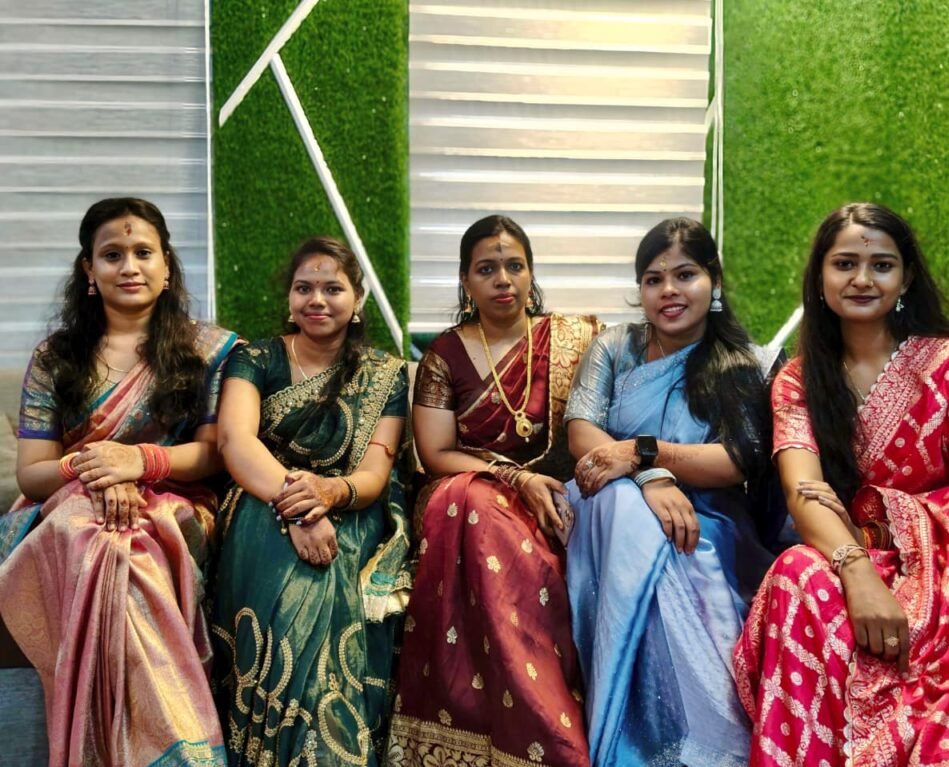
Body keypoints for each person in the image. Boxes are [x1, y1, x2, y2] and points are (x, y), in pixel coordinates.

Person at [733, 202, 949, 766]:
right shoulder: (799, 380)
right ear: (820, 277)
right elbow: (803, 493)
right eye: (845, 264)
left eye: (881, 265)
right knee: (795, 572)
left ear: (906, 278)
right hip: (853, 557)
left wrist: (902, 536)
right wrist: (858, 569)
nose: (862, 279)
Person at [0, 197, 239, 766]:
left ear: (166, 265)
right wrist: (100, 470)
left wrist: (139, 462)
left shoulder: (209, 351)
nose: (129, 266)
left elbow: (212, 454)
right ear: (89, 269)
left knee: (132, 542)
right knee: (97, 535)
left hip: (176, 502)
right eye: (112, 255)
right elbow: (33, 473)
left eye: (143, 252)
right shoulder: (57, 357)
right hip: (65, 507)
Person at [386, 215, 602, 767]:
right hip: (469, 492)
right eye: (487, 269)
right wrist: (515, 478)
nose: (503, 279)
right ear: (465, 281)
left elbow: (602, 423)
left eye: (514, 266)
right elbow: (436, 454)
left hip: (561, 494)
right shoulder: (444, 355)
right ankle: (539, 729)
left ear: (530, 274)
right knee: (471, 503)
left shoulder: (575, 340)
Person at [564, 216, 780, 767]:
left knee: (681, 546)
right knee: (625, 508)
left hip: (705, 516)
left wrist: (646, 453)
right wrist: (647, 478)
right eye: (653, 279)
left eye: (685, 275)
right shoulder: (616, 346)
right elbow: (582, 433)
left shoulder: (743, 363)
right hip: (608, 503)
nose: (668, 291)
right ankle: (625, 742)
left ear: (714, 280)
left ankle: (695, 747)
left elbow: (738, 461)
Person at [210, 236, 410, 766]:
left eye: (332, 289)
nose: (316, 300)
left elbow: (374, 473)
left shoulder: (385, 374)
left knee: (330, 575)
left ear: (358, 299)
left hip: (347, 509)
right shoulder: (255, 358)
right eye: (304, 288)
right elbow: (235, 441)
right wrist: (296, 504)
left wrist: (329, 493)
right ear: (290, 297)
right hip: (263, 499)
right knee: (289, 580)